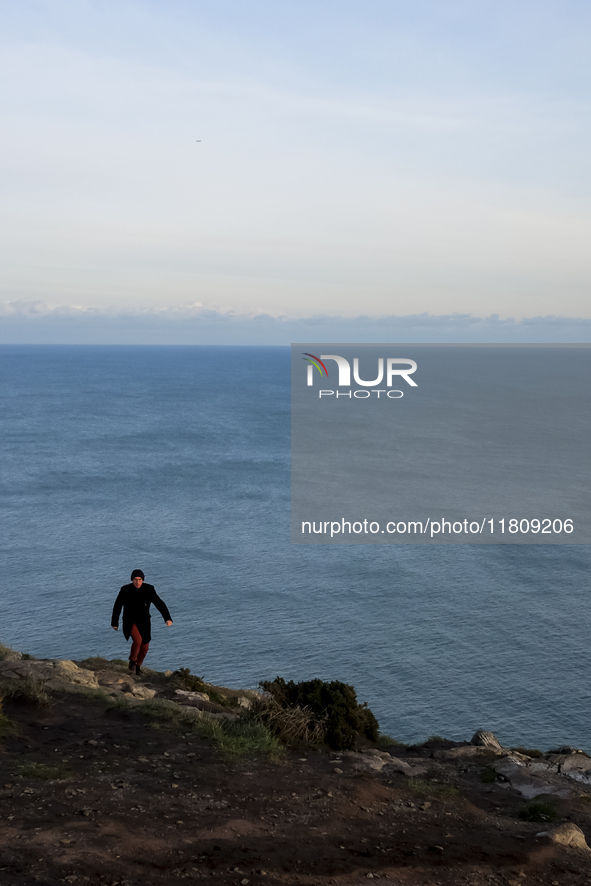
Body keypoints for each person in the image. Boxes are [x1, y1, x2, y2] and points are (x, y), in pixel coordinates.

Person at [111, 569, 173, 675]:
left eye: (140, 579)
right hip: (129, 621)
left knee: (145, 648)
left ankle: (138, 667)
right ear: (132, 580)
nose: (137, 582)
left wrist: (167, 618)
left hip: (144, 621)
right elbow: (117, 606)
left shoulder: (149, 589)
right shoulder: (125, 590)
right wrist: (115, 622)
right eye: (135, 579)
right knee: (138, 640)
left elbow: (159, 603)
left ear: (143, 580)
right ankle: (132, 660)